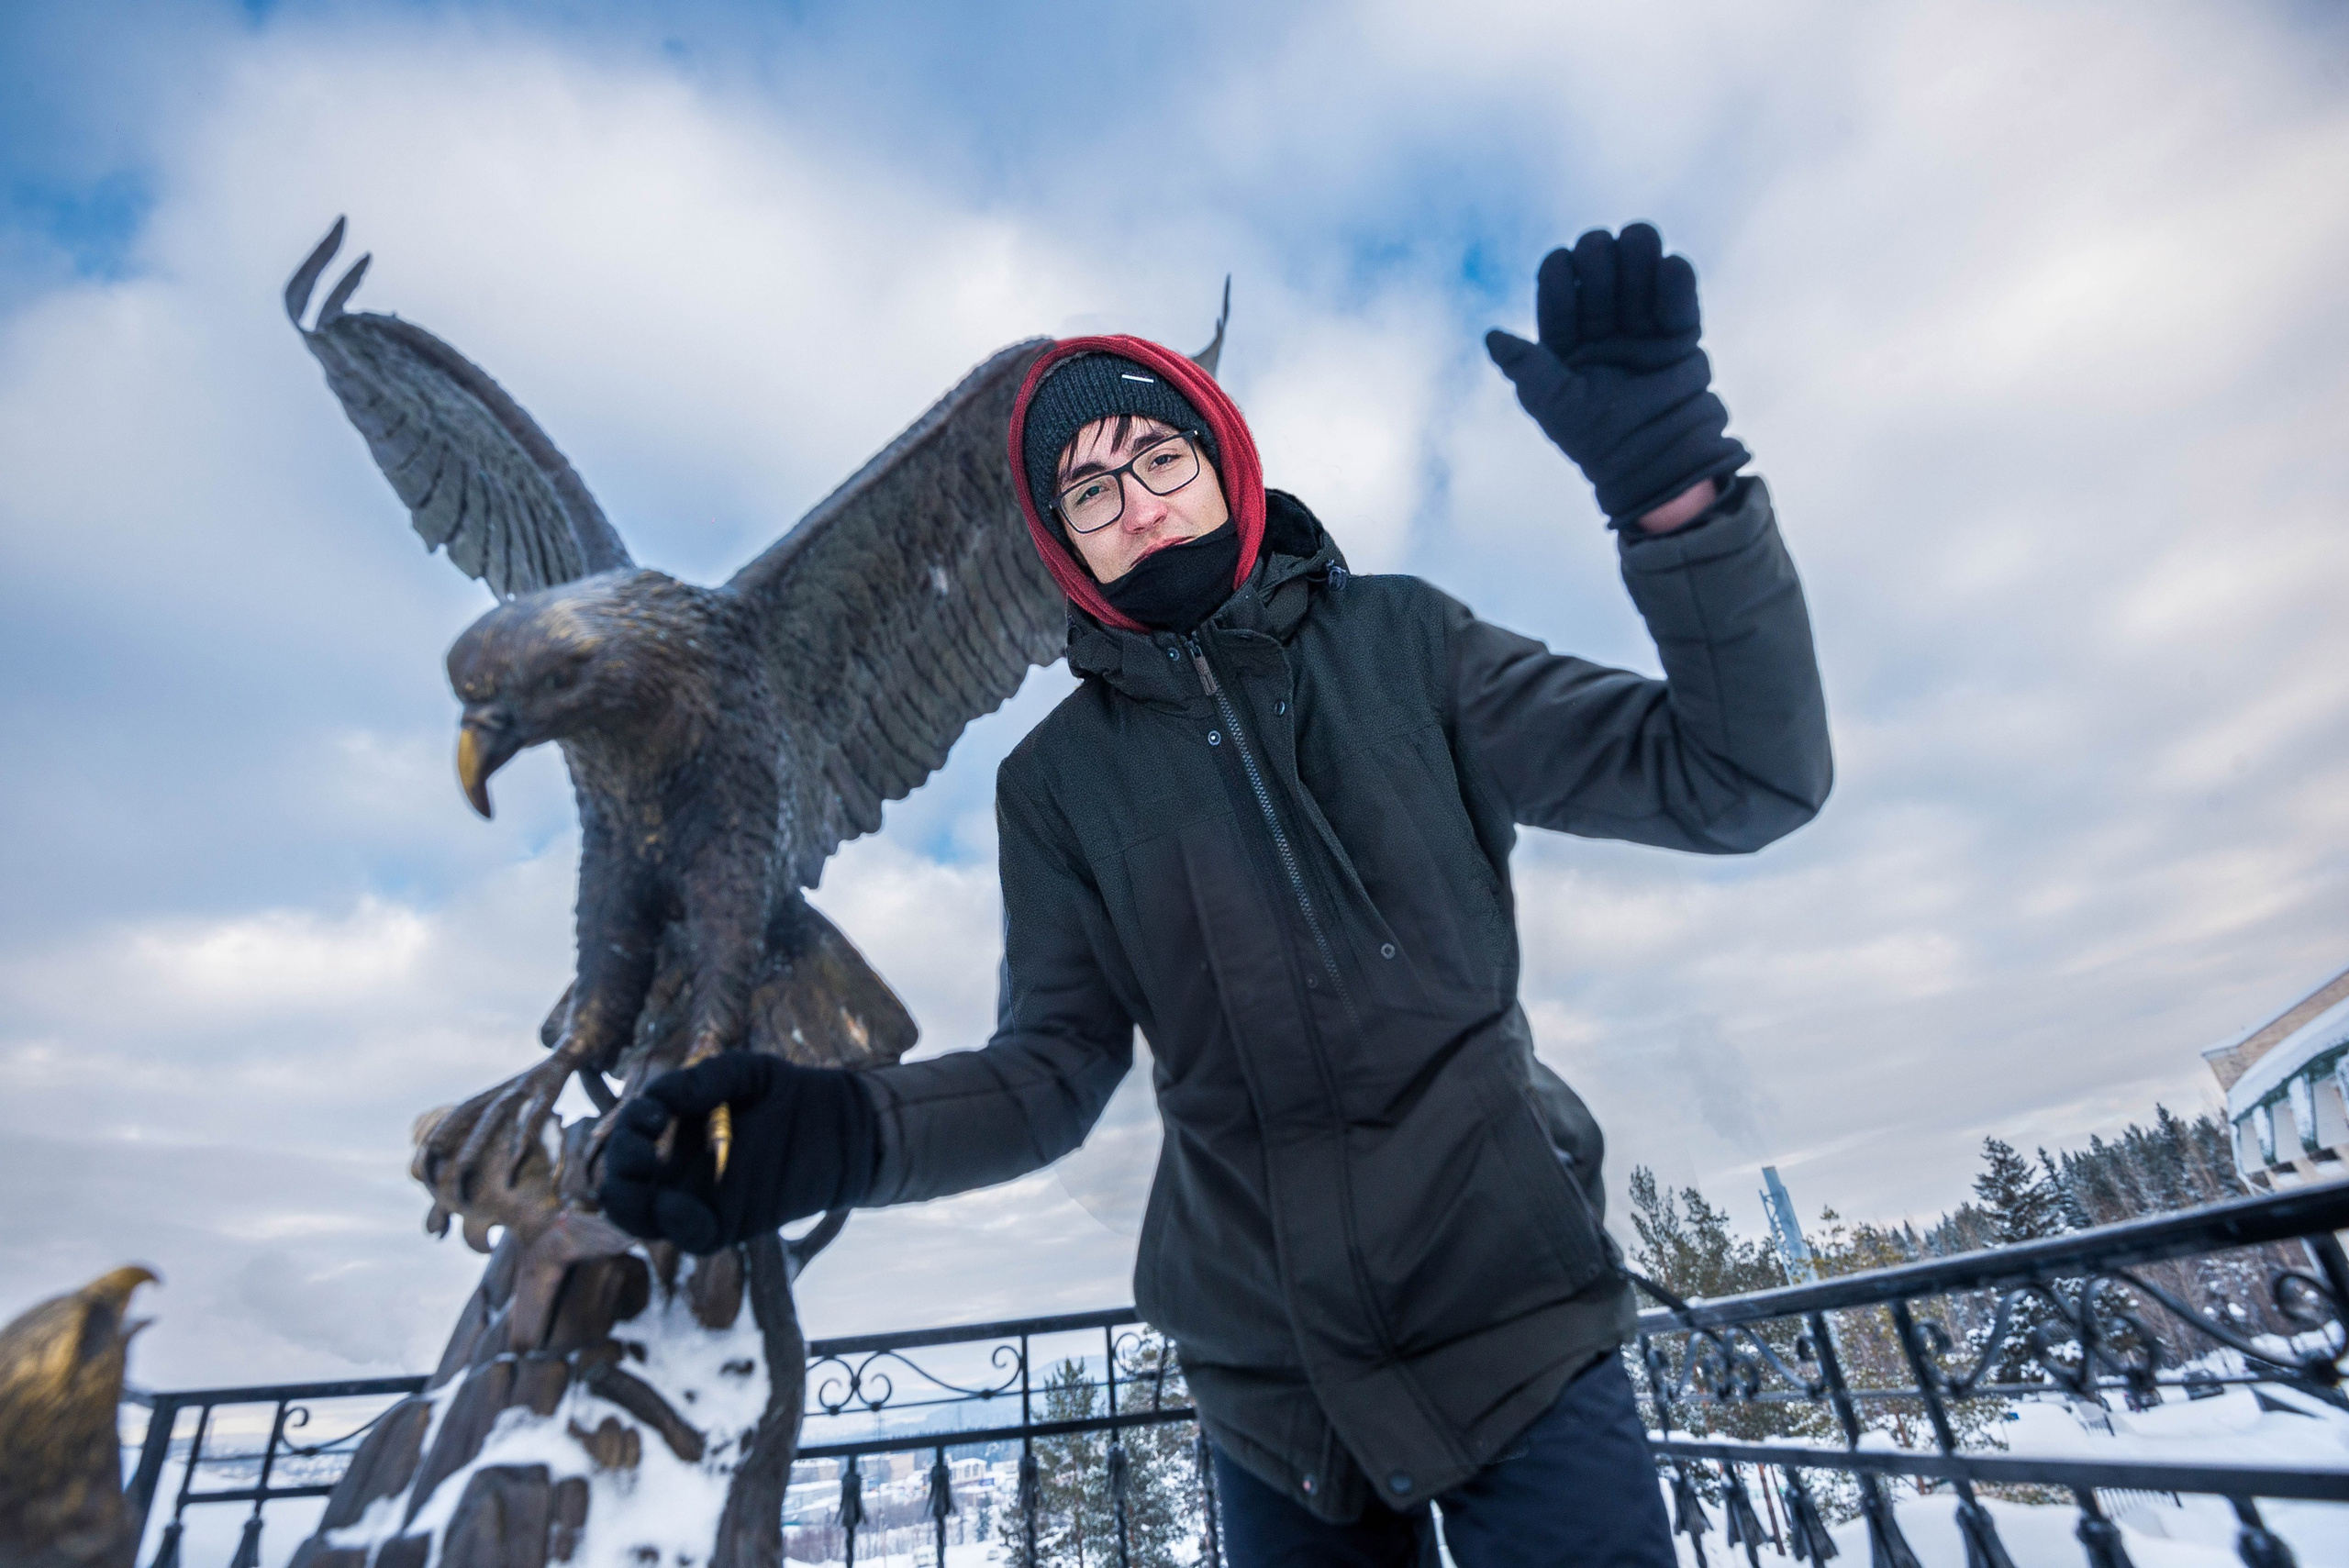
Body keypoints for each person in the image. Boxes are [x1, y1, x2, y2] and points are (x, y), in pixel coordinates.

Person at [601, 224, 1831, 1566]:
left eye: (1157, 456)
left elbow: (1742, 778)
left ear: (1224, 460)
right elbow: (1048, 1075)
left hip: (1520, 1334)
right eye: (1086, 491)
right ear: (1064, 548)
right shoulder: (1058, 788)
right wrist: (816, 1134)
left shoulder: (1412, 651)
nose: (1131, 499)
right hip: (1273, 1408)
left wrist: (1677, 497)